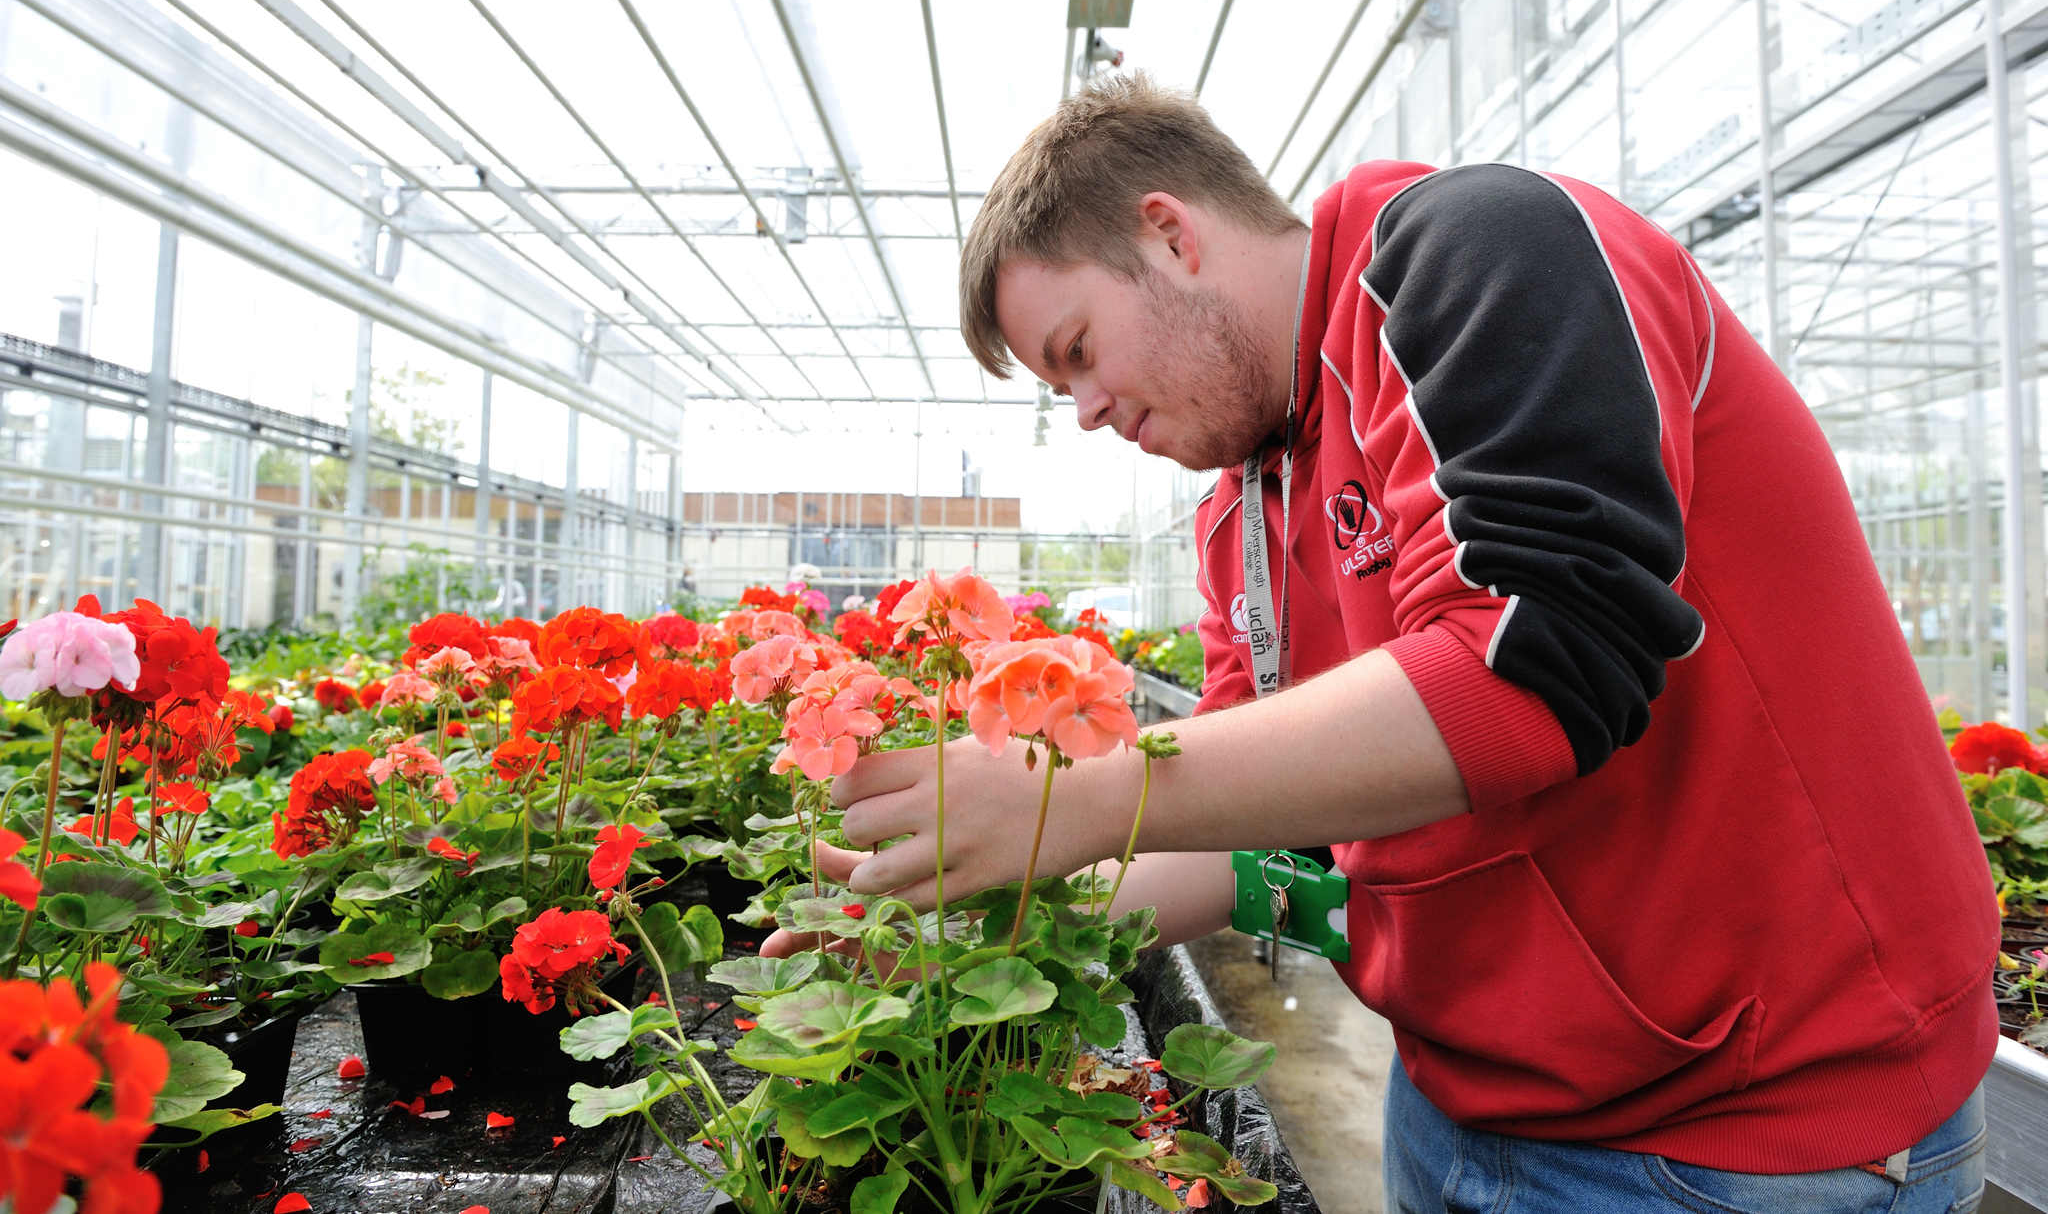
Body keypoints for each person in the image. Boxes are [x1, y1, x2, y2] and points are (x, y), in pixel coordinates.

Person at [770, 74, 1998, 1212]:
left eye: (1077, 350)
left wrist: (1078, 800)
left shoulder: (1474, 252)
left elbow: (1536, 671)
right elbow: (1256, 828)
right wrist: (947, 916)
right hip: (1460, 1105)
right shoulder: (1242, 500)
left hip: (1745, 1135)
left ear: (1170, 234)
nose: (1086, 411)